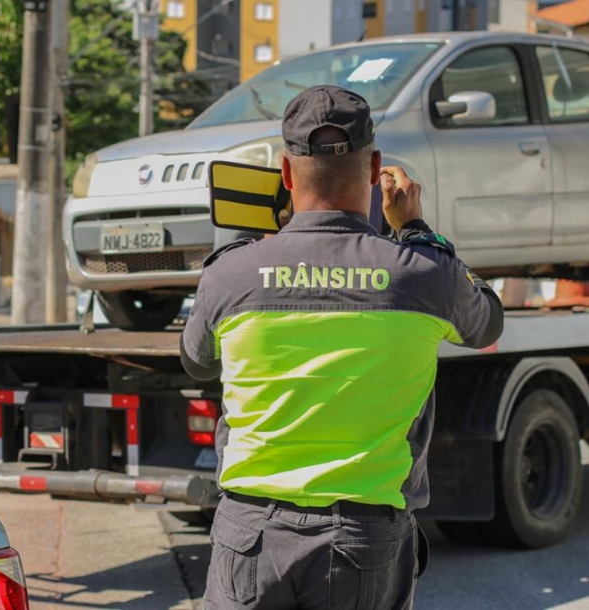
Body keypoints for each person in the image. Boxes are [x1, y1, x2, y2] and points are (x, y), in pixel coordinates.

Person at [180, 85, 504, 610]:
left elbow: (194, 360)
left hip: (248, 535)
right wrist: (417, 230)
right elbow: (487, 323)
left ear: (286, 175)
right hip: (362, 541)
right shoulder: (424, 274)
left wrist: (246, 245)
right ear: (376, 169)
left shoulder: (231, 274)